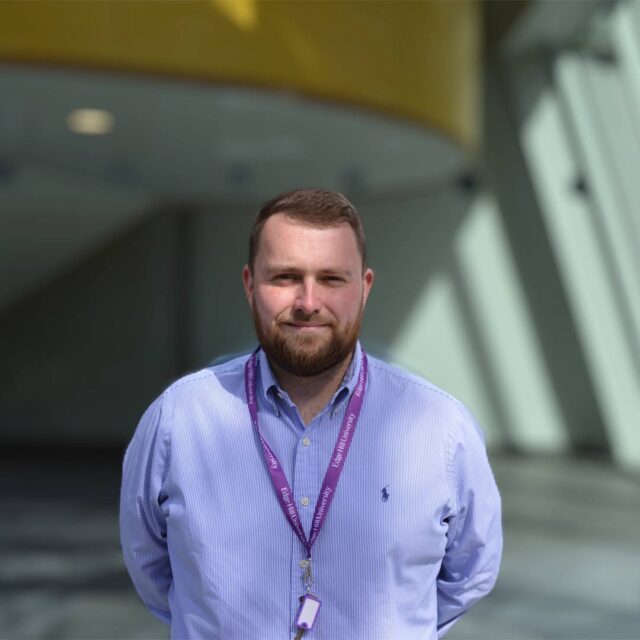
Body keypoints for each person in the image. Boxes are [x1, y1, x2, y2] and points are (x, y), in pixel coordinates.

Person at [120, 188, 502, 640]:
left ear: (364, 288)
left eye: (332, 279)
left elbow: (470, 574)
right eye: (284, 277)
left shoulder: (441, 429)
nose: (307, 301)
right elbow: (151, 570)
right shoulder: (178, 420)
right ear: (249, 285)